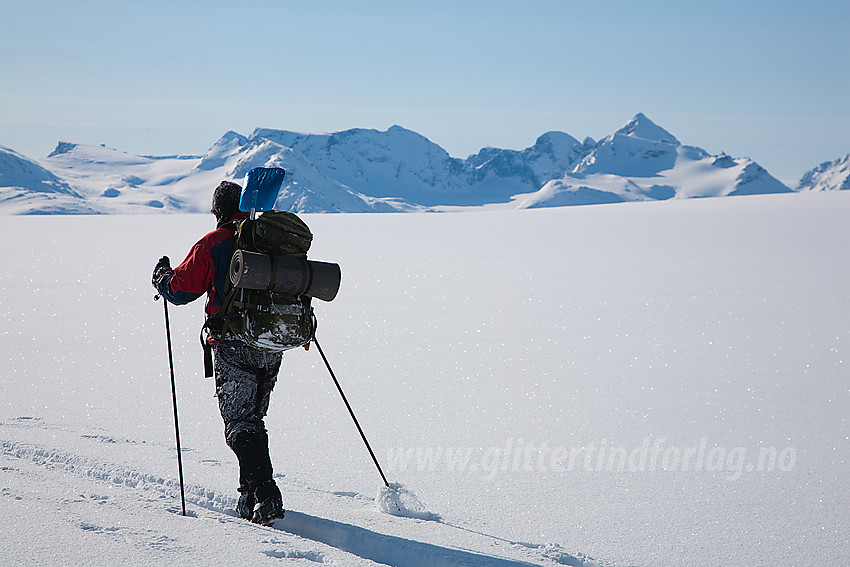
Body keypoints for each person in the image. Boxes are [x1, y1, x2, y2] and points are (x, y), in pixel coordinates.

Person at [152, 180, 285, 524]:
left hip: (234, 343)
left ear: (218, 211)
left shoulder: (215, 242)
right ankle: (249, 496)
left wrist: (162, 278)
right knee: (252, 420)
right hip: (273, 341)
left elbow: (181, 290)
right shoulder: (271, 239)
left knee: (240, 423)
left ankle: (266, 493)